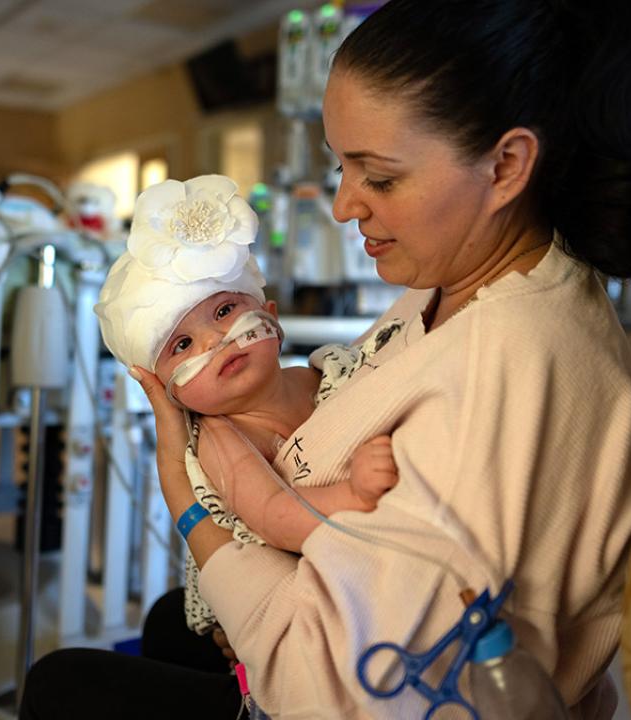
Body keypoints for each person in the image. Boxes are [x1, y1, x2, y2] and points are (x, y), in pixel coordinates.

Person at [21, 1, 631, 717]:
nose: (345, 206)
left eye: (379, 177)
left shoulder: (504, 362)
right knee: (174, 619)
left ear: (506, 166)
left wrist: (185, 499)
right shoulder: (451, 286)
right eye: (340, 167)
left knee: (62, 688)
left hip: (369, 688)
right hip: (327, 604)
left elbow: (345, 692)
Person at [95, 173, 402, 637]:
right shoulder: (224, 439)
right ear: (172, 392)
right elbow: (274, 515)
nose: (216, 340)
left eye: (224, 312)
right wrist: (354, 497)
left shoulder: (329, 376)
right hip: (254, 617)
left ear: (272, 321)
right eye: (183, 344)